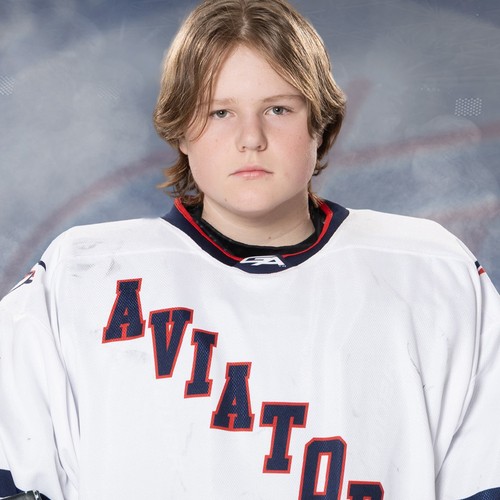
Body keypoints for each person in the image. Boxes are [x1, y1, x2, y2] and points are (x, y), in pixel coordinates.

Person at [1, 0, 499, 498]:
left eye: (278, 109)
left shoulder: (431, 269)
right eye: (220, 112)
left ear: (319, 123)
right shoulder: (83, 273)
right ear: (181, 130)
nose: (251, 138)